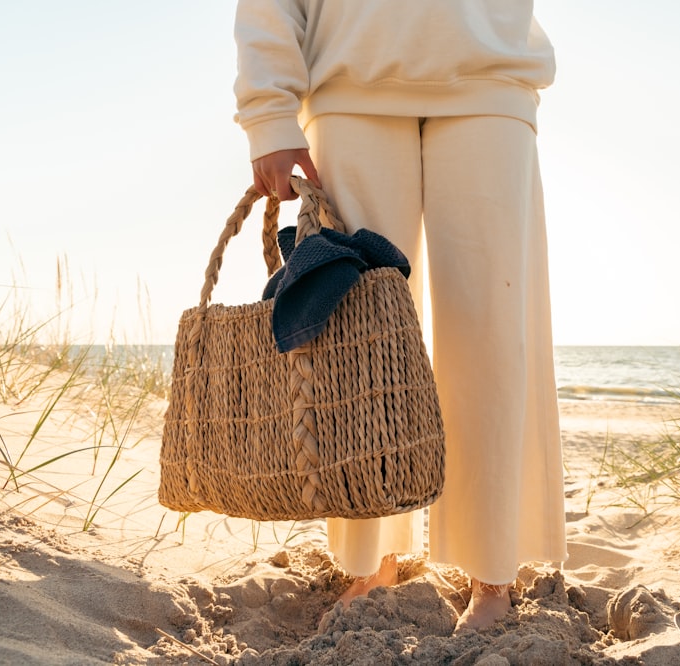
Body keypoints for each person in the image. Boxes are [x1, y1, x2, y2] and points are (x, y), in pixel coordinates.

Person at [233, 0, 567, 631]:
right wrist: (269, 110)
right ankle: (371, 558)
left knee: (491, 333)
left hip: (490, 81)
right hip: (346, 86)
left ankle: (492, 566)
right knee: (357, 341)